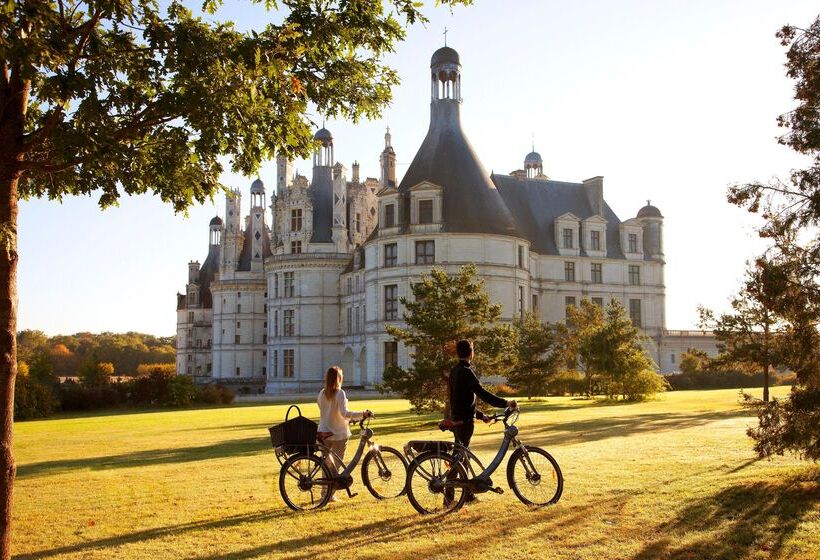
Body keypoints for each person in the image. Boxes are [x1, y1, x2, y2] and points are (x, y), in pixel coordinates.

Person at [444, 339, 517, 503]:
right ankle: (448, 498)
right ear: (471, 353)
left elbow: (459, 400)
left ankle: (468, 494)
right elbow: (482, 394)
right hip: (464, 423)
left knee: (463, 457)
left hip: (458, 418)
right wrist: (505, 403)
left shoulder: (455, 371)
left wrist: (480, 415)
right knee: (459, 458)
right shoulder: (466, 372)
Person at [317, 366, 372, 498]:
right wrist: (362, 414)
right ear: (339, 378)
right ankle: (329, 494)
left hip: (323, 432)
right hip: (337, 433)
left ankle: (325, 493)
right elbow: (344, 413)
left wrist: (347, 420)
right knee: (335, 466)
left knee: (327, 465)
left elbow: (328, 413)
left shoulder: (321, 393)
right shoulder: (339, 393)